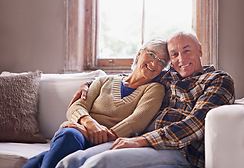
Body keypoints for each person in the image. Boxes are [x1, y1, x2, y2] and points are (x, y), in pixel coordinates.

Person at [56, 31, 235, 168]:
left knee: (99, 163)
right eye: (174, 55)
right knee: (72, 161)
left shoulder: (217, 80)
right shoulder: (169, 76)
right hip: (143, 142)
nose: (181, 59)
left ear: (200, 50)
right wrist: (89, 83)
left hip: (180, 151)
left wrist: (142, 140)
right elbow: (133, 76)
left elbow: (195, 124)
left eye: (186, 51)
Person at [23, 39, 170, 168]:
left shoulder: (155, 89)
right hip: (80, 132)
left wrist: (97, 135)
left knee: (54, 152)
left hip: (110, 139)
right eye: (151, 55)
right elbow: (77, 106)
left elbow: (136, 122)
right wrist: (89, 124)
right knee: (69, 135)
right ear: (139, 54)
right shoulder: (103, 81)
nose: (154, 62)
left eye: (161, 61)